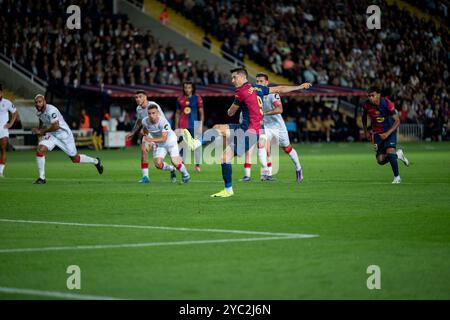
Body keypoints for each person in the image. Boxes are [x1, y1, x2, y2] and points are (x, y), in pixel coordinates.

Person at [184, 67, 311, 197]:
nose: (232, 80)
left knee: (225, 157)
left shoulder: (241, 92)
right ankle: (196, 144)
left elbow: (231, 112)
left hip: (249, 133)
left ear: (243, 77)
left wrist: (231, 109)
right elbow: (279, 88)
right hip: (245, 128)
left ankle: (229, 189)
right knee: (217, 128)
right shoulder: (258, 89)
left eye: (235, 77)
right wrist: (299, 87)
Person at [240, 73, 304, 182]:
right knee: (261, 144)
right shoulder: (254, 94)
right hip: (265, 126)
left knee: (287, 148)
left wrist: (264, 113)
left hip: (278, 127)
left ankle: (298, 168)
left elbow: (279, 109)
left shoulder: (272, 94)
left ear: (266, 83)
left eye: (261, 81)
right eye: (257, 81)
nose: (259, 83)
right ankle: (265, 173)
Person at [31, 94, 103, 184]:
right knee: (40, 150)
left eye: (40, 101)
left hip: (64, 135)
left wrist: (41, 131)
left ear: (44, 102)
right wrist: (39, 129)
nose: (38, 104)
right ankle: (42, 178)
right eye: (36, 102)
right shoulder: (38, 111)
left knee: (75, 159)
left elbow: (56, 126)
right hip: (52, 135)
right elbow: (42, 119)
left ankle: (96, 161)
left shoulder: (51, 110)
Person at [362, 86, 409, 184]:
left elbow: (397, 121)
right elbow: (364, 117)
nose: (370, 98)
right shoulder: (366, 105)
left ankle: (397, 177)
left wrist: (387, 133)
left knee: (390, 151)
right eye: (369, 96)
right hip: (377, 134)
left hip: (389, 131)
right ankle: (398, 155)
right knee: (380, 160)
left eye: (372, 95)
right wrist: (366, 131)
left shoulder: (387, 103)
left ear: (378, 95)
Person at [125, 90, 169, 183]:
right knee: (144, 150)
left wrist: (147, 129)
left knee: (160, 163)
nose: (138, 99)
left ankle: (172, 169)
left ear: (145, 97)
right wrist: (133, 132)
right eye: (136, 97)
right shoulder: (139, 109)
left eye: (140, 97)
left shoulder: (153, 105)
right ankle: (145, 177)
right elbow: (139, 121)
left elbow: (160, 120)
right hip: (150, 133)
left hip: (161, 133)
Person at [142, 105, 190, 183]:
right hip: (159, 144)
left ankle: (186, 175)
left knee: (175, 162)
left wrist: (151, 140)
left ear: (158, 113)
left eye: (153, 113)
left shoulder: (163, 122)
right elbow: (145, 129)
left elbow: (164, 138)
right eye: (149, 113)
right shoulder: (145, 121)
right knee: (158, 164)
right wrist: (145, 135)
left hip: (170, 141)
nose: (151, 115)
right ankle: (171, 169)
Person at [175, 81, 204, 172]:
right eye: (185, 87)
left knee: (197, 146)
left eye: (189, 87)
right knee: (182, 144)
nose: (187, 89)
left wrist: (201, 125)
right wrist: (176, 127)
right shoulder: (180, 98)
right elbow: (177, 113)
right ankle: (181, 164)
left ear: (192, 88)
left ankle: (197, 165)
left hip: (195, 125)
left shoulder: (197, 98)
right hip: (183, 125)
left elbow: (201, 112)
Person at [0, 84, 18, 177]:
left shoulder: (7, 102)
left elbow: (15, 113)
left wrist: (10, 124)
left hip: (3, 130)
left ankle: (0, 172)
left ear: (1, 92)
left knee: (3, 149)